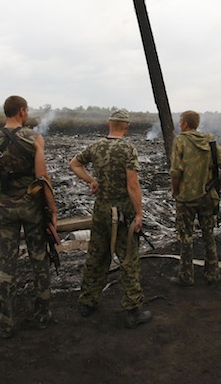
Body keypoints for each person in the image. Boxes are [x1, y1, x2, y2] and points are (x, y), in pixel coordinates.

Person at [0, 95, 57, 338]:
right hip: (32, 207)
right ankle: (42, 315)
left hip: (5, 206)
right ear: (22, 111)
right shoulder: (34, 138)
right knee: (39, 258)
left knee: (7, 264)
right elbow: (42, 179)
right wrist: (52, 211)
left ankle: (5, 321)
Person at [69, 109, 153, 329]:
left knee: (97, 255)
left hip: (101, 211)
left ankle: (87, 302)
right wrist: (139, 213)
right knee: (128, 259)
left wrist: (92, 180)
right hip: (122, 213)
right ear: (126, 126)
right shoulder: (127, 149)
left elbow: (74, 164)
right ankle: (133, 309)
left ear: (109, 124)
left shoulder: (96, 146)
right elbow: (132, 184)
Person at [169, 110, 221, 286]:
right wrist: (217, 185)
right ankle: (213, 273)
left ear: (185, 124)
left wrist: (175, 190)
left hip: (186, 197)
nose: (179, 124)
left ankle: (186, 276)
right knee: (208, 234)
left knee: (185, 236)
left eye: (180, 121)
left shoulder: (180, 140)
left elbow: (176, 171)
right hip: (207, 196)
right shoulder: (209, 141)